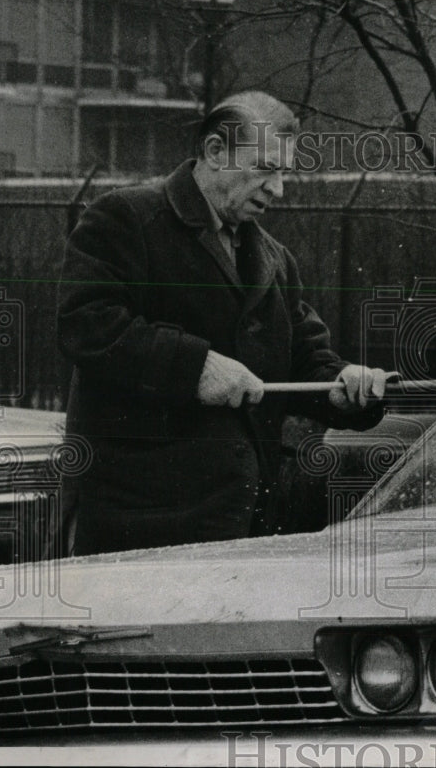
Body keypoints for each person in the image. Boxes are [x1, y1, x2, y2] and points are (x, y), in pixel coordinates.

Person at [57, 91, 389, 556]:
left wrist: (339, 387)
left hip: (244, 524)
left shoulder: (275, 259)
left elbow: (303, 357)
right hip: (140, 527)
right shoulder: (125, 218)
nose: (278, 189)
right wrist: (196, 368)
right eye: (265, 168)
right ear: (215, 152)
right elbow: (86, 325)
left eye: (284, 172)